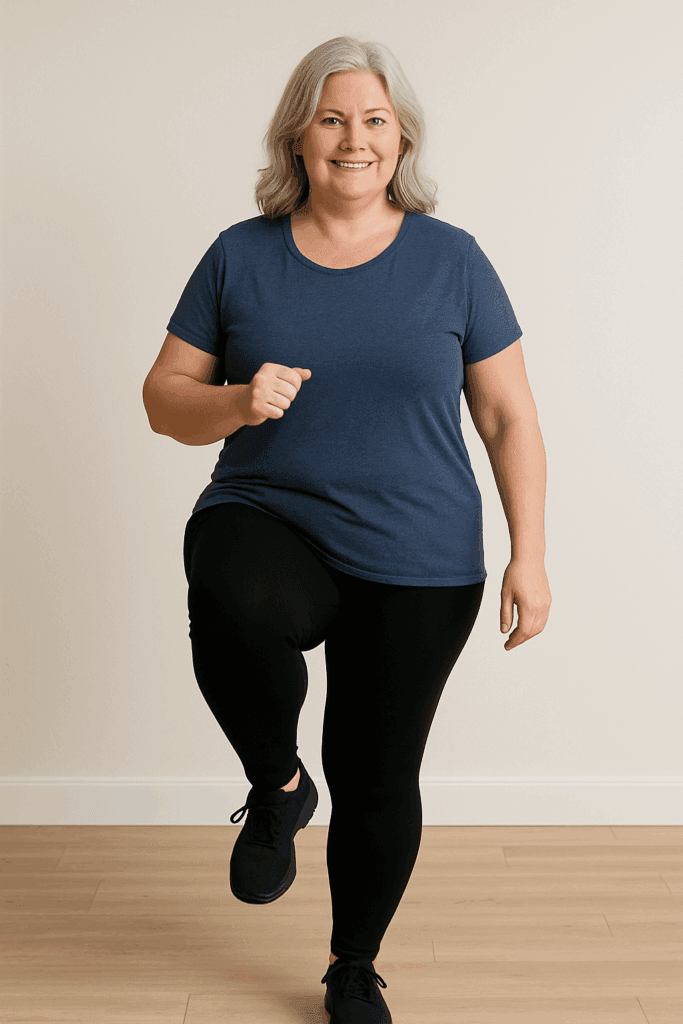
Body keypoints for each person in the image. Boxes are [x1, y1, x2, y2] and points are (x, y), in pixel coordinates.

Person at [143, 35, 551, 1024]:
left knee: (377, 772)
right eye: (331, 117)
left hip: (420, 554)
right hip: (271, 514)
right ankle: (279, 783)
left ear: (398, 135)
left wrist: (527, 554)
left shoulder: (452, 260)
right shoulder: (239, 255)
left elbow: (506, 416)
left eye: (373, 119)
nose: (353, 138)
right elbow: (164, 401)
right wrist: (239, 399)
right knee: (228, 588)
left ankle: (352, 965)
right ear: (297, 136)